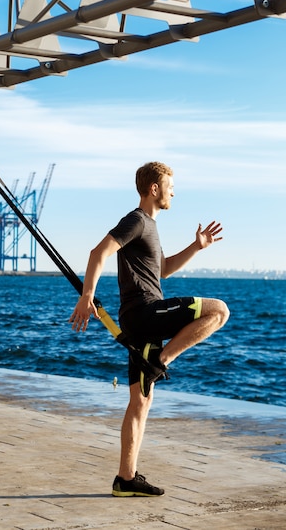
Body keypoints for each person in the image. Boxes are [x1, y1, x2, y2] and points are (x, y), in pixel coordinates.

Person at [69, 161, 229, 497]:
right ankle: (162, 361)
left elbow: (163, 271)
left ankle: (125, 479)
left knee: (140, 401)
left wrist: (196, 247)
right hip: (144, 312)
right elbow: (99, 252)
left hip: (142, 316)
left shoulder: (150, 227)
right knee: (218, 311)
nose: (174, 191)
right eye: (170, 185)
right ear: (154, 189)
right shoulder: (137, 220)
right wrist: (87, 296)